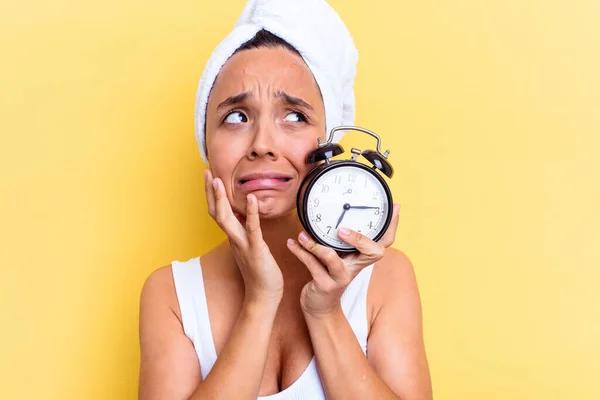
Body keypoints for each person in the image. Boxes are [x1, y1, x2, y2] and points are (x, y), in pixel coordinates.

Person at [138, 1, 432, 399]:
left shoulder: (384, 280)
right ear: (206, 143)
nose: (262, 145)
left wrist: (324, 311)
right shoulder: (171, 294)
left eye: (294, 116)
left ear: (328, 142)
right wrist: (260, 301)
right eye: (237, 117)